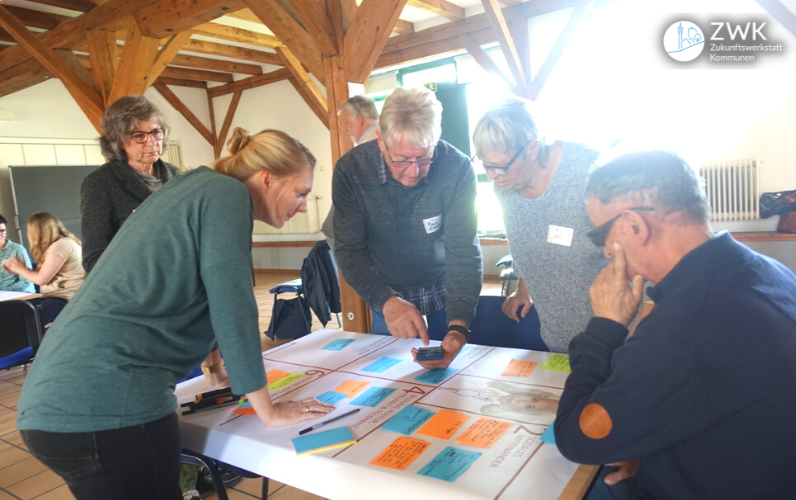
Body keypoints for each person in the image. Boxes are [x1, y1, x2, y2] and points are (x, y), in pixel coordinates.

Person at [16, 128, 336, 500]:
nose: (302, 206)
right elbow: (233, 303)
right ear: (267, 178)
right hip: (107, 408)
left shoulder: (196, 186)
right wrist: (268, 410)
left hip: (52, 405)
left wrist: (215, 367)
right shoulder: (227, 194)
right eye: (300, 193)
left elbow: (201, 286)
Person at [554, 149, 796, 499]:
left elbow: (576, 439)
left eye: (601, 236)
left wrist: (605, 327)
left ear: (635, 226)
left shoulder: (685, 324)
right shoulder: (767, 270)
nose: (606, 252)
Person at [333, 86, 482, 369]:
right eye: (400, 160)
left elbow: (463, 251)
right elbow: (349, 250)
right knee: (391, 377)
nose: (413, 172)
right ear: (380, 140)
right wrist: (386, 301)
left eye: (424, 158)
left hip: (443, 287)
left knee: (452, 375)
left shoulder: (458, 168)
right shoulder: (350, 171)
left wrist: (458, 328)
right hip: (385, 288)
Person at [472, 97, 609, 353]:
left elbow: (642, 261)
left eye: (499, 166)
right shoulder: (505, 189)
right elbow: (528, 243)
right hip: (560, 342)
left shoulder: (592, 171)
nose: (491, 175)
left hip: (618, 341)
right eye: (484, 164)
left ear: (533, 149)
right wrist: (523, 289)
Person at [81, 95, 180, 273]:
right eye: (139, 135)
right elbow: (94, 259)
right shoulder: (100, 183)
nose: (152, 142)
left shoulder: (178, 176)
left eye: (156, 132)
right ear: (118, 141)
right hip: (140, 291)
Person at [321, 95, 380, 252]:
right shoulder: (384, 136)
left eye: (346, 122)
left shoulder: (366, 149)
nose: (345, 129)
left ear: (359, 119)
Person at [2, 212, 85, 322]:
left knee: (22, 321)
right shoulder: (60, 244)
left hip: (64, 300)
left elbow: (41, 279)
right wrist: (21, 270)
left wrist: (21, 269)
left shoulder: (61, 245)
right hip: (55, 298)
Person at [0, 214, 34, 293]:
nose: (0, 235)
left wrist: (3, 291)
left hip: (21, 296)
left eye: (2, 231)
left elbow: (26, 281)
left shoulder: (17, 249)